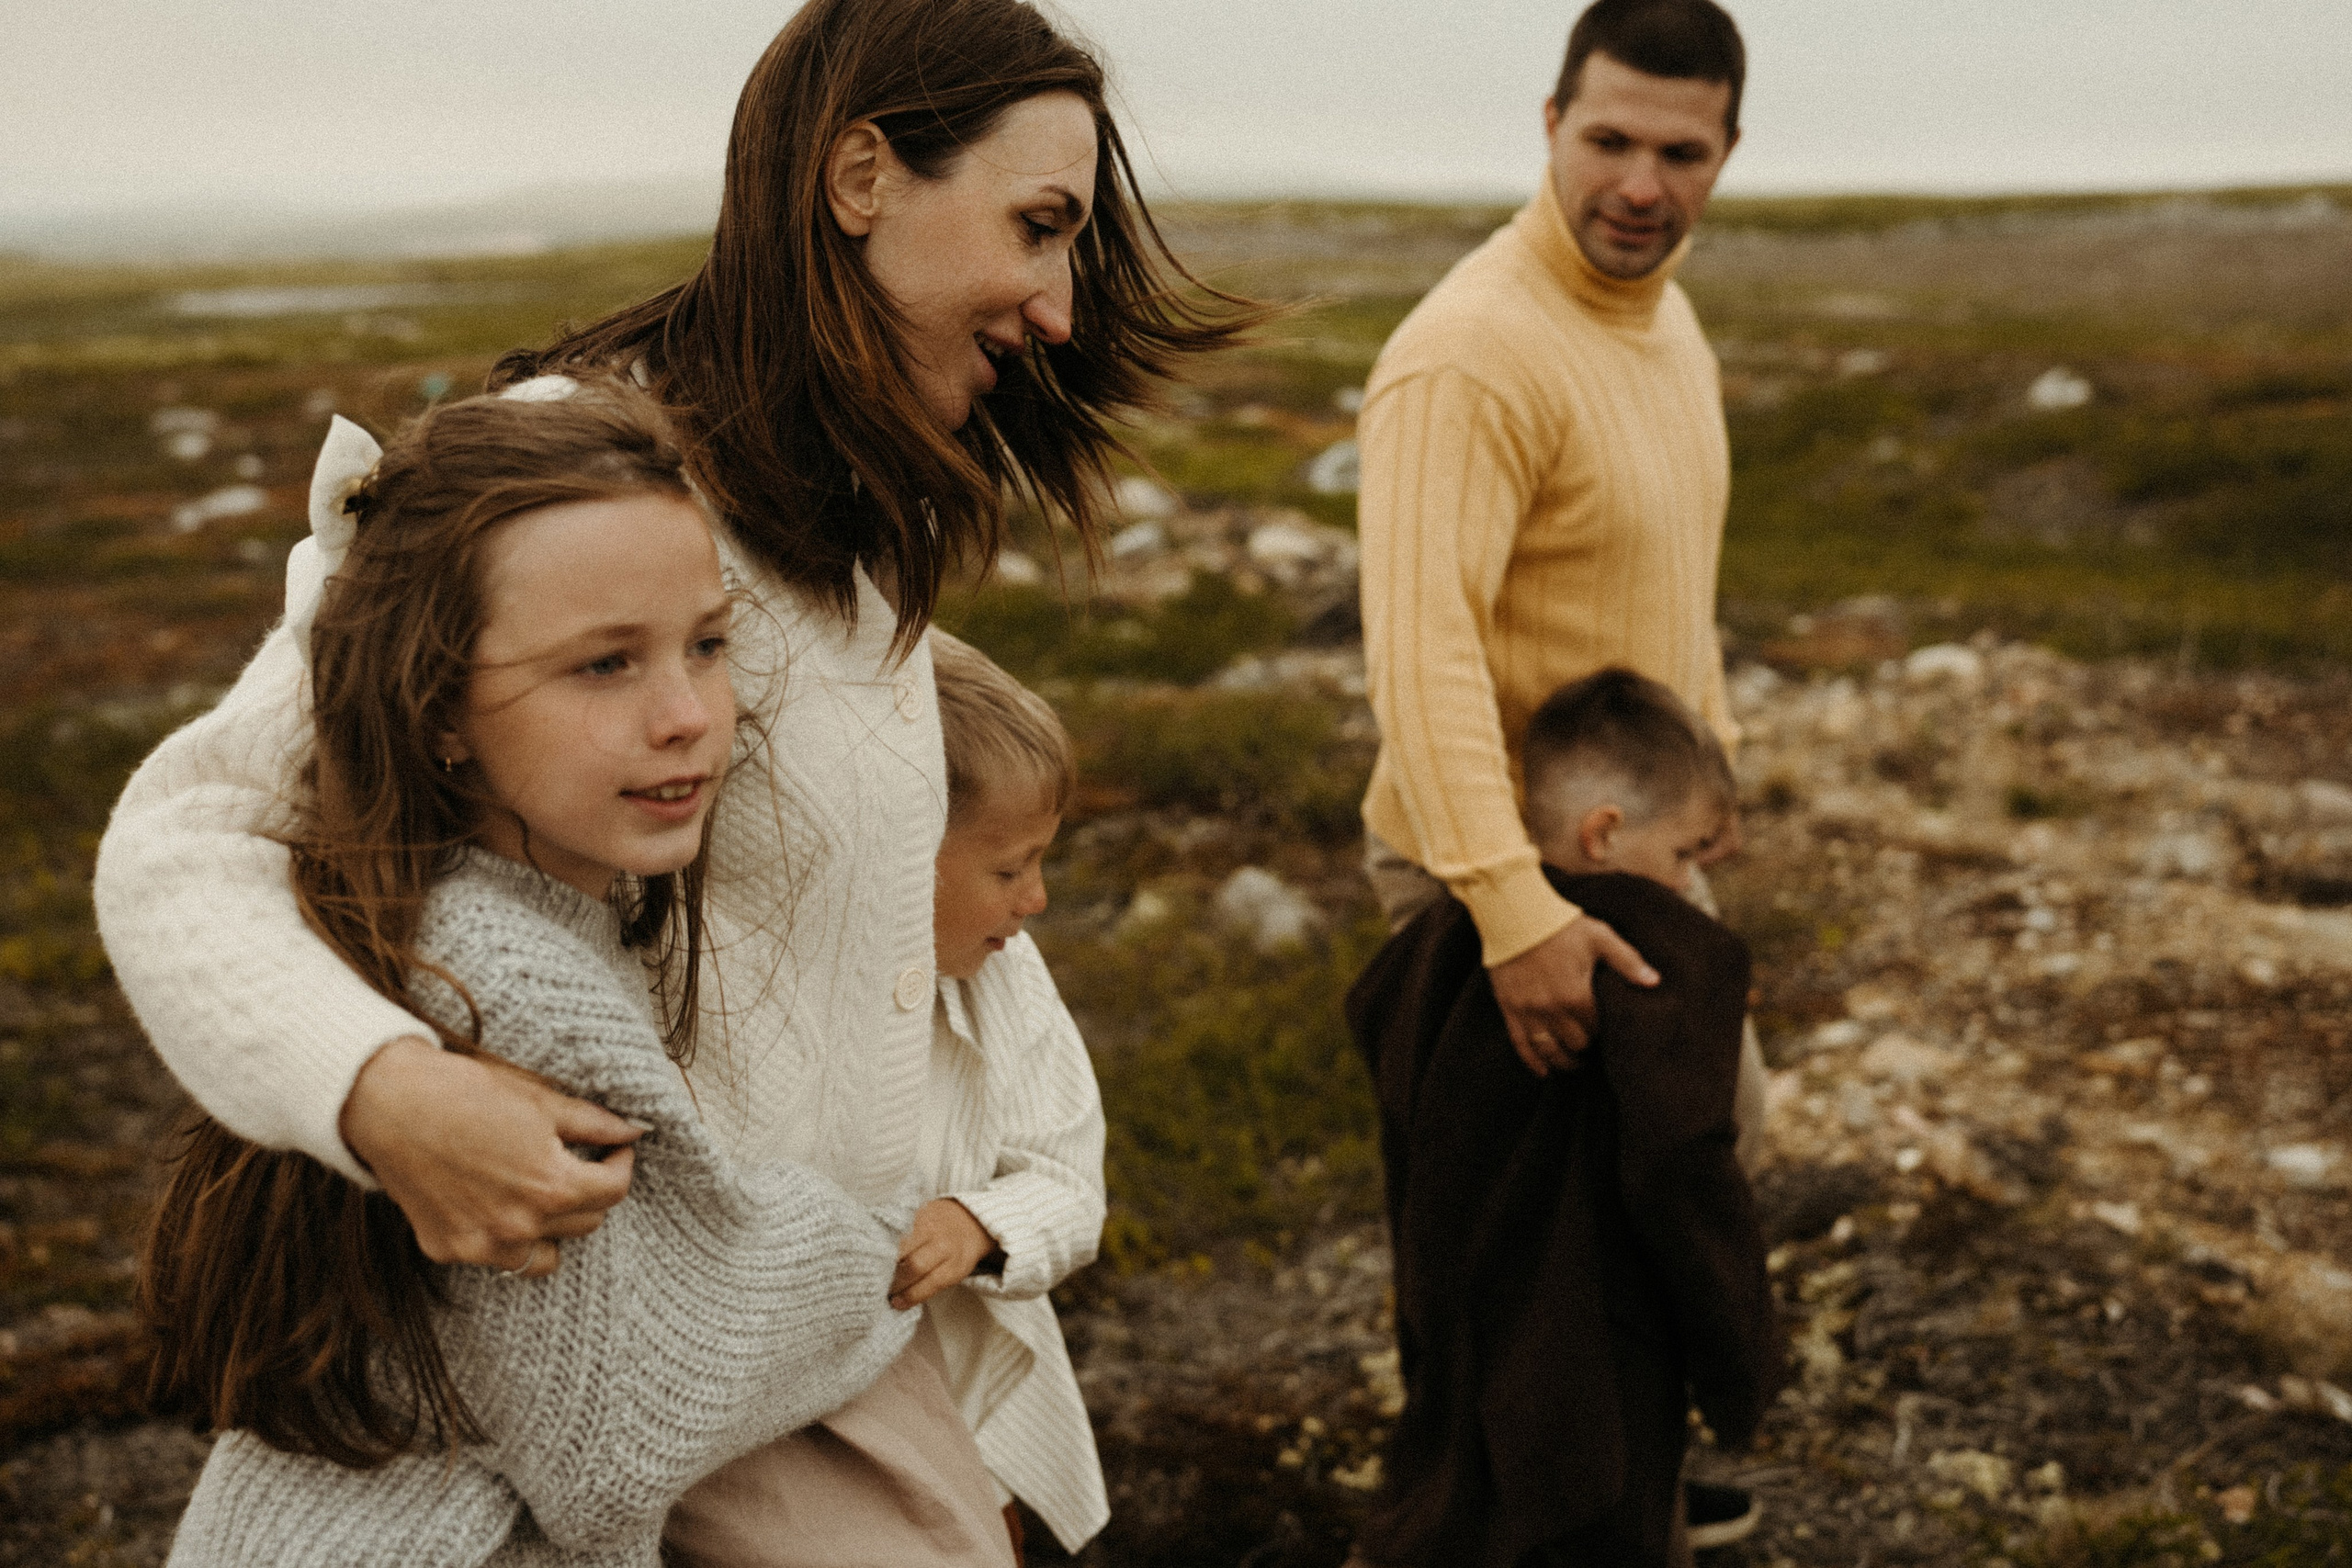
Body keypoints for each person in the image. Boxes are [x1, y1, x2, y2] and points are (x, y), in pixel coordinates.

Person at [94, 1, 1260, 1561]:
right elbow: (187, 842)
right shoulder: (573, 481)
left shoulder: (839, 516)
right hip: (633, 1370)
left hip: (814, 1339)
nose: (1058, 306)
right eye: (1037, 227)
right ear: (858, 176)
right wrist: (382, 1093)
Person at [141, 381, 921, 1566]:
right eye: (603, 666)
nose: (687, 716)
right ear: (439, 707)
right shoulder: (508, 982)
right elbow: (628, 1426)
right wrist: (878, 1243)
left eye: (708, 646)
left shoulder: (411, 906)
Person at [1354, 0, 1757, 1094]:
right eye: (1609, 142)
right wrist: (1510, 908)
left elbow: (1674, 579)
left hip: (1634, 846)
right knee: (1531, 1246)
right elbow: (1420, 652)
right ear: (1550, 123)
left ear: (1725, 157)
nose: (1640, 187)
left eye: (1680, 154)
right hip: (1502, 870)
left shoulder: (1666, 323)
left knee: (1694, 1177)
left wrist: (1708, 766)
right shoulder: (1468, 356)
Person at [1345, 669, 1781, 1568]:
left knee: (1455, 1501)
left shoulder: (1439, 948)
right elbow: (1682, 1170)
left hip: (1462, 1322)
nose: (1695, 880)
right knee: (1600, 1513)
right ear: (1607, 833)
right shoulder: (1658, 965)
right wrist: (1740, 1360)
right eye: (1689, 853)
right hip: (1601, 1354)